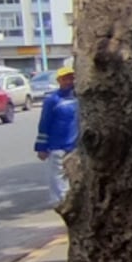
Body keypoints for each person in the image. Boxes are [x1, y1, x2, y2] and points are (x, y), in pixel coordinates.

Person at [34, 66, 78, 207]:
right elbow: (44, 123)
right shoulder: (52, 100)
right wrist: (41, 147)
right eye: (65, 79)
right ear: (59, 81)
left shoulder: (80, 98)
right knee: (58, 177)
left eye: (71, 78)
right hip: (57, 145)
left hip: (77, 146)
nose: (69, 81)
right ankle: (61, 204)